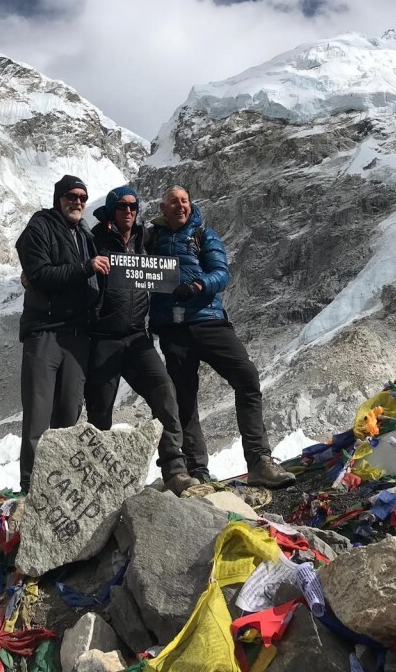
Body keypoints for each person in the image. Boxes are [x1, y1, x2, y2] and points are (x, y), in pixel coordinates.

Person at [148, 186, 295, 488]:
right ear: (163, 209)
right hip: (174, 331)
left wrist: (198, 285)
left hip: (209, 322)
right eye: (173, 202)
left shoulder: (204, 235)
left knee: (247, 377)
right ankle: (197, 474)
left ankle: (258, 461)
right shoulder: (151, 240)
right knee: (185, 400)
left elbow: (221, 273)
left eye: (184, 201)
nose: (180, 206)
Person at [85, 186, 197, 496]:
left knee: (165, 392)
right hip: (102, 339)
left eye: (134, 206)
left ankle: (175, 469)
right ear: (111, 211)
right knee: (99, 413)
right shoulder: (93, 242)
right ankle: (100, 484)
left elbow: (179, 235)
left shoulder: (146, 239)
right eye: (122, 206)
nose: (129, 211)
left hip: (137, 338)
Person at [15, 175, 110, 494]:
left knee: (70, 413)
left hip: (77, 336)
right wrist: (85, 268)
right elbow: (39, 274)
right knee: (38, 416)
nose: (79, 202)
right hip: (45, 331)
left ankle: (57, 486)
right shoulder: (41, 227)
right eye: (72, 196)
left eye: (83, 197)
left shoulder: (84, 234)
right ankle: (31, 487)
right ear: (59, 198)